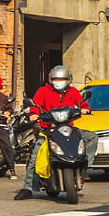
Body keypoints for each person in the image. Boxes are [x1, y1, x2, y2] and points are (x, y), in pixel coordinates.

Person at [14, 64, 97, 201]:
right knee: (36, 156)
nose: (58, 82)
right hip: (48, 130)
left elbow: (81, 103)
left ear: (68, 79)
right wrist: (34, 114)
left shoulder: (73, 92)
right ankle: (27, 188)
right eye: (55, 79)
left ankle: (84, 165)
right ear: (50, 79)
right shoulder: (43, 91)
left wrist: (84, 109)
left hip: (69, 129)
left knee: (92, 137)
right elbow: (36, 106)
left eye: (62, 79)